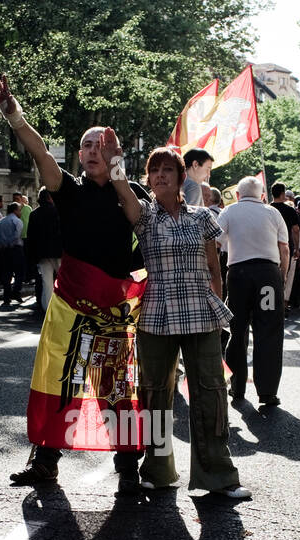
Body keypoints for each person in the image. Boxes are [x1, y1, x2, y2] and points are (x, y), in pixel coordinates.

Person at [0, 74, 146, 494]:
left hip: (112, 309)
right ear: (78, 155)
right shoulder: (68, 189)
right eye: (87, 145)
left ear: (114, 153)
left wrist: (118, 171)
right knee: (59, 382)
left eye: (102, 145)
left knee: (115, 388)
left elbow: (138, 221)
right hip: (69, 305)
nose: (92, 151)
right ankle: (45, 462)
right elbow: (40, 152)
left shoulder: (129, 191)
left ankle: (129, 468)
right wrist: (15, 117)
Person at [110, 143, 251, 499]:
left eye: (167, 170)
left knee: (211, 393)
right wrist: (114, 160)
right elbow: (121, 190)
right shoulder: (143, 215)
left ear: (180, 177)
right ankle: (157, 472)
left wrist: (218, 307)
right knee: (154, 395)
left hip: (201, 312)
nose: (159, 176)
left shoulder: (202, 217)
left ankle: (218, 475)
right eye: (154, 171)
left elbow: (215, 269)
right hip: (155, 316)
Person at [216, 175, 289, 406]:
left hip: (238, 274)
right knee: (268, 332)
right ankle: (267, 391)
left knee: (237, 331)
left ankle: (237, 388)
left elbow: (216, 242)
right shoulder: (273, 213)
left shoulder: (228, 212)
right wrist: (282, 276)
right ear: (263, 196)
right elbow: (284, 248)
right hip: (268, 274)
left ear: (237, 195)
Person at [26, 187, 63, 319]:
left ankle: (47, 307)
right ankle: (66, 307)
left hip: (41, 253)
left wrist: (31, 255)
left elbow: (30, 236)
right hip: (58, 251)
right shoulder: (58, 211)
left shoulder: (34, 214)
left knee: (46, 281)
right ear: (50, 197)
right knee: (64, 280)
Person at [270, 183, 300, 303]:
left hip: (270, 247)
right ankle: (283, 302)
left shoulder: (267, 209)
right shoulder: (290, 210)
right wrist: (297, 248)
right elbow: (296, 230)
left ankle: (272, 301)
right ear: (283, 194)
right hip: (286, 245)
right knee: (286, 275)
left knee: (272, 275)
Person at [0, 202, 25, 307]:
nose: (20, 212)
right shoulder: (17, 221)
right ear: (15, 210)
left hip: (4, 250)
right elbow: (17, 235)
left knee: (6, 274)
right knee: (19, 272)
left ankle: (6, 297)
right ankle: (16, 292)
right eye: (19, 210)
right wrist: (10, 242)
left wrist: (2, 244)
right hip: (16, 249)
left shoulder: (1, 221)